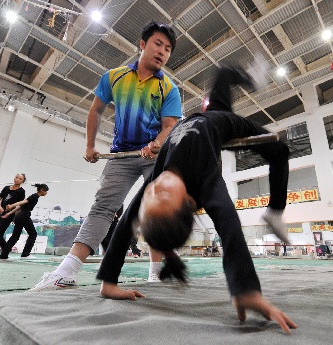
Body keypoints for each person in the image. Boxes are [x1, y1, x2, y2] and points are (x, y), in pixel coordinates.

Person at [97, 64, 296, 334]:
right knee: (280, 150)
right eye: (164, 194)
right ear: (190, 201)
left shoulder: (156, 181)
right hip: (225, 126)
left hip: (209, 113)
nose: (156, 188)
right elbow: (228, 225)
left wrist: (108, 281)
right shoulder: (206, 182)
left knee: (224, 72)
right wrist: (247, 290)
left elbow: (124, 228)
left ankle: (249, 79)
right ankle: (274, 211)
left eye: (150, 194)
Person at [29, 21, 182, 291]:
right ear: (143, 44)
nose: (162, 52)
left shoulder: (169, 88)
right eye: (158, 44)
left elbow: (169, 126)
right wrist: (90, 146)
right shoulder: (114, 77)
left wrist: (157, 143)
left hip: (154, 156)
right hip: (121, 156)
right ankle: (67, 272)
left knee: (157, 211)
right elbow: (96, 110)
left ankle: (156, 273)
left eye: (168, 49)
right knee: (103, 207)